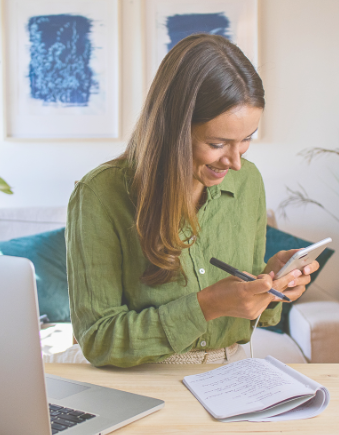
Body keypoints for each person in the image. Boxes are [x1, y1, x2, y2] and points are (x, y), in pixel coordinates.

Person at [66, 34, 319, 368]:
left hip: (233, 373)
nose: (235, 161)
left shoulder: (248, 183)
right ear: (172, 130)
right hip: (142, 382)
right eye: (217, 143)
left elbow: (248, 318)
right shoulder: (100, 195)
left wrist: (270, 286)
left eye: (246, 140)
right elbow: (98, 339)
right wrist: (207, 305)